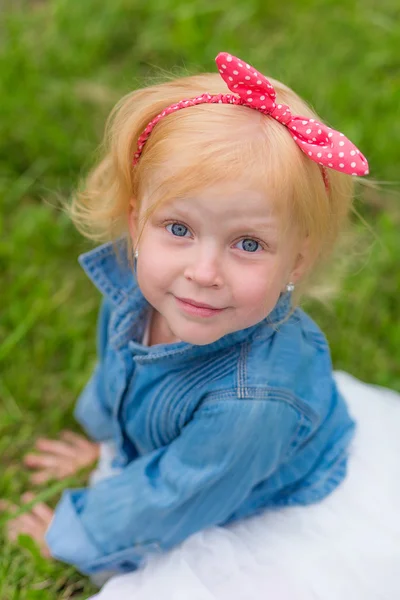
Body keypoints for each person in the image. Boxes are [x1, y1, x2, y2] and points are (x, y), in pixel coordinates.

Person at [4, 52, 399, 598]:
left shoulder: (252, 398)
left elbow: (176, 495)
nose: (204, 272)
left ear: (298, 262)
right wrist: (109, 444)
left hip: (246, 490)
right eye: (179, 228)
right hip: (206, 464)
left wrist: (74, 533)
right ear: (136, 223)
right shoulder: (135, 289)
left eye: (248, 244)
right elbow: (116, 370)